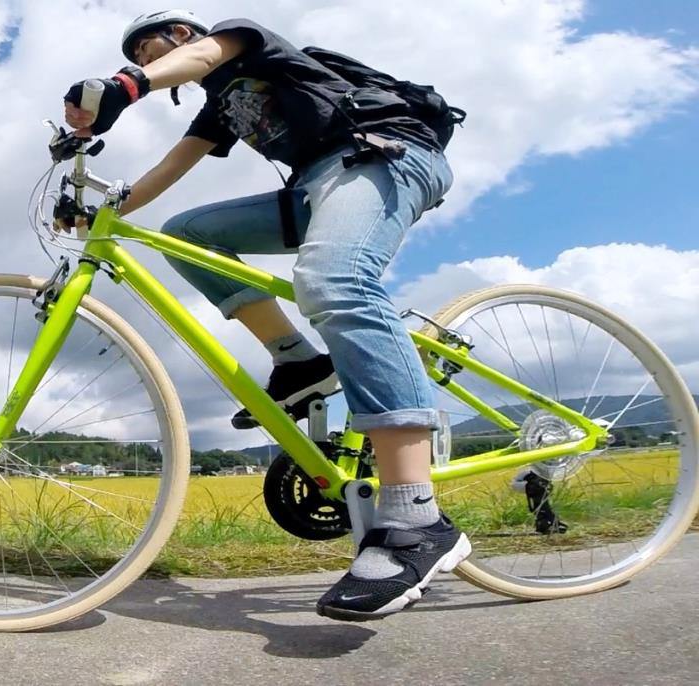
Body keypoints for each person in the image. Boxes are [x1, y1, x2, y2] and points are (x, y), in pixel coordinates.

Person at [62, 10, 470, 621]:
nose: (149, 62)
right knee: (189, 234)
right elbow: (172, 168)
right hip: (312, 189)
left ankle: (416, 518)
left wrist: (125, 85)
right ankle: (298, 361)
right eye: (141, 58)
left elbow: (202, 58)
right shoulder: (216, 110)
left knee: (334, 280)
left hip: (383, 155)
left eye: (150, 50)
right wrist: (104, 211)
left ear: (181, 36)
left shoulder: (244, 40)